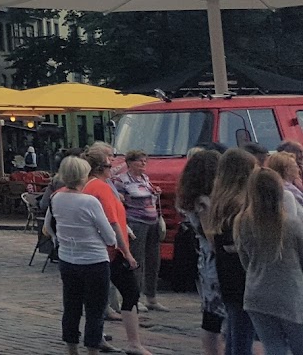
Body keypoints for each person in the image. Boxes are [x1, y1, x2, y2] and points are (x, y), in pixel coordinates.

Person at [45, 156, 120, 355]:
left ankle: (72, 348)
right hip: (94, 260)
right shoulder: (89, 201)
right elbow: (110, 236)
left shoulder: (56, 198)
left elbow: (49, 227)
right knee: (95, 310)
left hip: (68, 259)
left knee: (71, 307)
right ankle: (93, 349)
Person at [85, 144, 151, 355]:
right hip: (111, 251)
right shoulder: (102, 188)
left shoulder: (90, 186)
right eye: (109, 162)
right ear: (102, 167)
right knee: (130, 293)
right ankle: (133, 343)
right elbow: (112, 223)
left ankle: (98, 337)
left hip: (101, 250)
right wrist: (128, 253)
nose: (112, 166)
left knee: (97, 297)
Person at [236, 168, 303, 352]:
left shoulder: (242, 223)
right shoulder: (291, 225)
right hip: (291, 294)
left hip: (256, 293)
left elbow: (245, 260)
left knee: (273, 347)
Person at [205, 147, 261, 355]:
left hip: (226, 272)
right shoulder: (239, 203)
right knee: (242, 332)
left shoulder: (220, 200)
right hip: (241, 273)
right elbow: (232, 243)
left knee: (235, 329)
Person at [177, 148, 226, 355]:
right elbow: (211, 235)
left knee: (211, 315)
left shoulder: (191, 198)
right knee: (215, 315)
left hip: (205, 261)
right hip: (215, 261)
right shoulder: (204, 201)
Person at [112, 149, 166, 312]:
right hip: (136, 222)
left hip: (152, 221)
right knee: (137, 260)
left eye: (145, 161)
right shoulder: (122, 181)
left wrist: (155, 193)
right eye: (140, 161)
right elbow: (119, 202)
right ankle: (135, 297)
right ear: (129, 163)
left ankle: (152, 296)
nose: (143, 164)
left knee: (153, 260)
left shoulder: (145, 178)